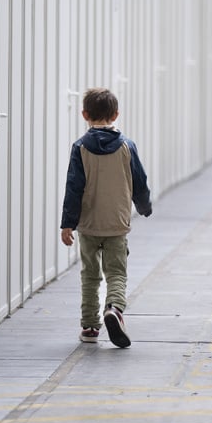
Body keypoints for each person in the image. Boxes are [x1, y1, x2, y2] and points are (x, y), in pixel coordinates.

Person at [59, 87, 153, 348]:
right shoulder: (127, 146)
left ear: (84, 114)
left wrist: (68, 223)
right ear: (116, 114)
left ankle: (89, 326)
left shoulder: (80, 148)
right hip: (117, 222)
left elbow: (74, 187)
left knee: (90, 274)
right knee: (116, 273)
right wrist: (144, 207)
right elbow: (139, 181)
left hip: (89, 224)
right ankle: (114, 308)